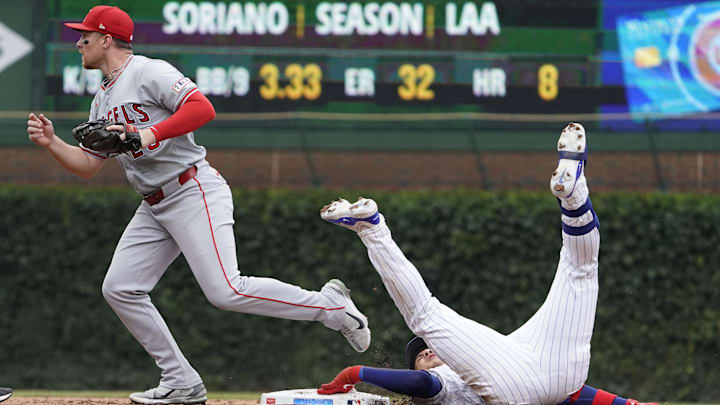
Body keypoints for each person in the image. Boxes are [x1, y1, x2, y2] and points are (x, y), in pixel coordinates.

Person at [27, 5, 369, 404]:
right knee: (120, 288)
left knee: (226, 290)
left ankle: (331, 307)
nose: (78, 42)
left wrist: (147, 134)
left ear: (107, 39)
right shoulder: (101, 100)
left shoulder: (148, 71)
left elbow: (202, 108)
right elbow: (88, 166)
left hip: (192, 189)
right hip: (153, 205)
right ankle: (181, 381)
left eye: (85, 35)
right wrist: (53, 144)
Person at [317, 123, 656, 405]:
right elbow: (421, 385)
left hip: (555, 370)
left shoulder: (486, 353)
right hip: (509, 390)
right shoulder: (440, 383)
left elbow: (570, 393)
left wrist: (626, 404)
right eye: (422, 356)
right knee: (426, 317)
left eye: (430, 351)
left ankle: (574, 192)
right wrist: (357, 373)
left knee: (580, 268)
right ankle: (372, 228)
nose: (431, 353)